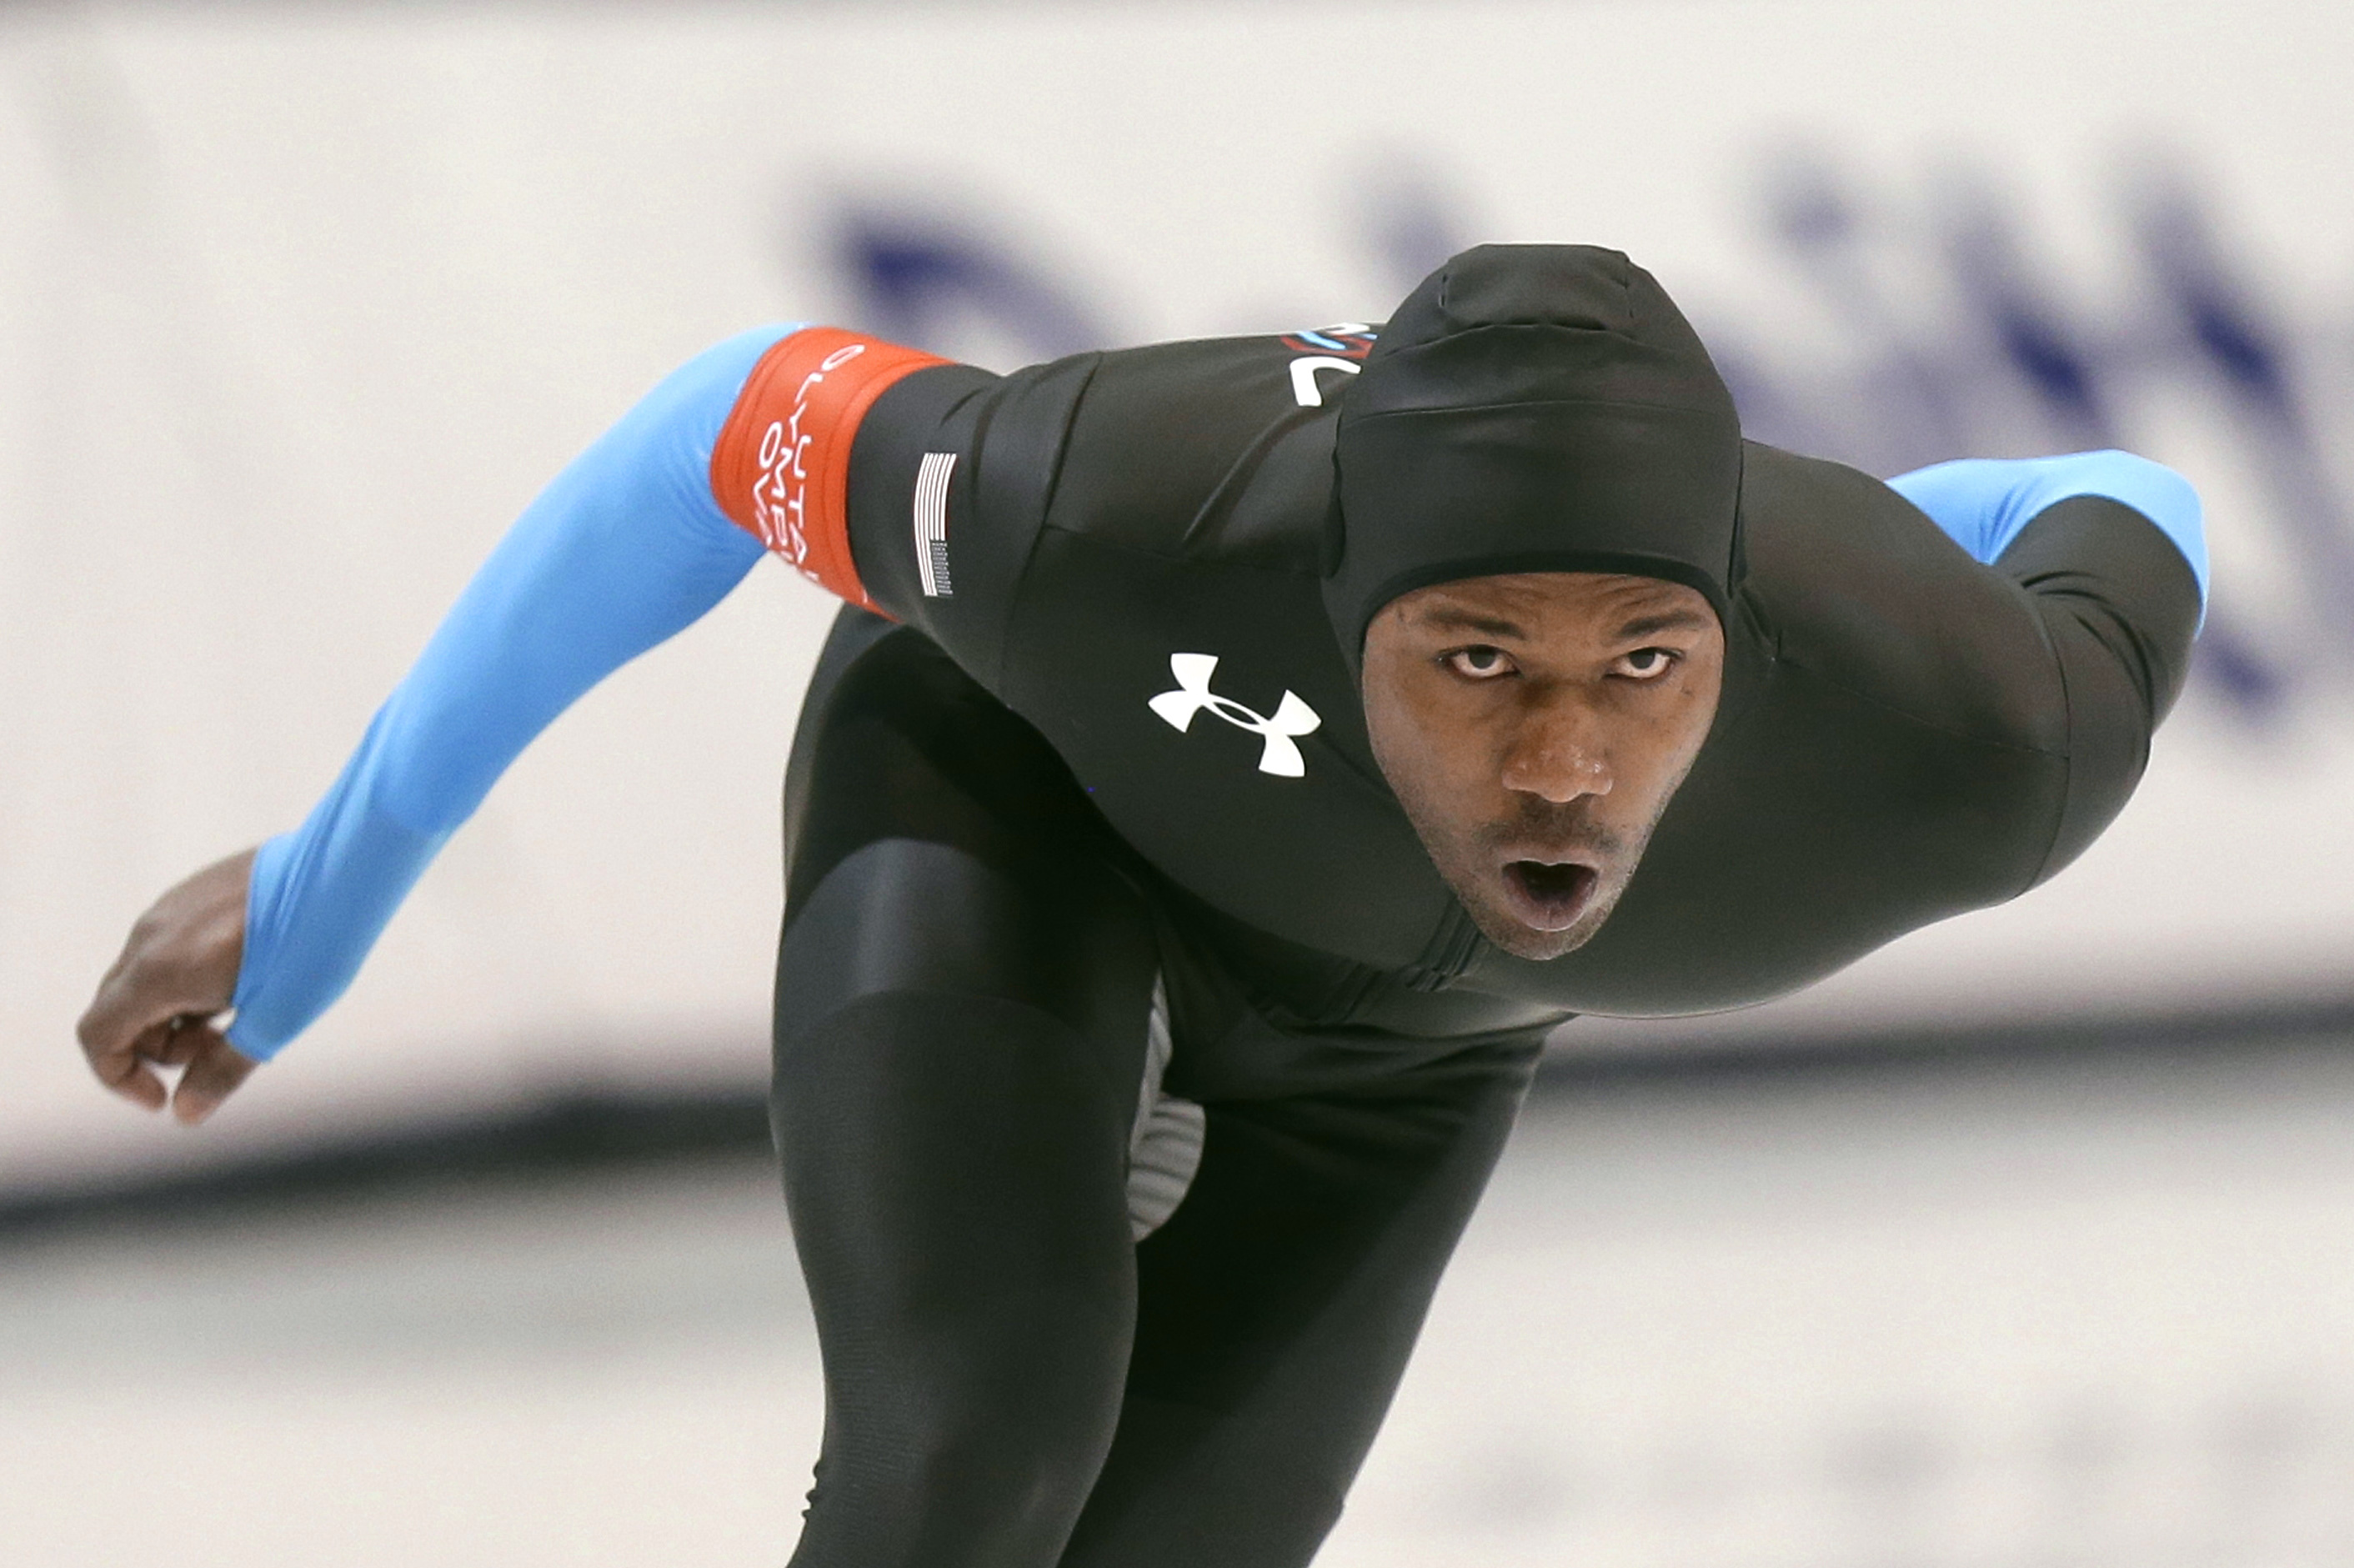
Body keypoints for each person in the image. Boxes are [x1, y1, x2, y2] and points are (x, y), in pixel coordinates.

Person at [78, 245, 2206, 1565]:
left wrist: (1872, 539)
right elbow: (707, 427)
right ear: (1333, 593)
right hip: (1029, 809)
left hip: (1393, 1051)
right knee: (973, 1457)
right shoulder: (1100, 511)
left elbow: (2137, 494)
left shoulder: (1965, 734)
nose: (1561, 760)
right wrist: (319, 886)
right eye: (1472, 657)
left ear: (1736, 626)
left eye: (1639, 664)